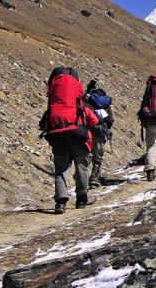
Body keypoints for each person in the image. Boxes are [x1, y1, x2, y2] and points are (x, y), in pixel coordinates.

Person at [39, 67, 100, 214]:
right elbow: (94, 120)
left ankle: (60, 203)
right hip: (78, 137)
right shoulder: (80, 105)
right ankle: (81, 199)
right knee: (82, 168)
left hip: (58, 139)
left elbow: (43, 124)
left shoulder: (52, 106)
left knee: (61, 169)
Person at [83, 79, 114, 189]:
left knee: (86, 155)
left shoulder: (87, 103)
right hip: (100, 133)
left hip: (87, 132)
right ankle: (94, 180)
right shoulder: (106, 107)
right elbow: (110, 121)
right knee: (98, 158)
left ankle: (81, 176)